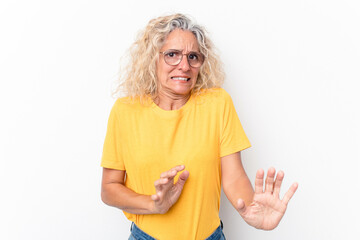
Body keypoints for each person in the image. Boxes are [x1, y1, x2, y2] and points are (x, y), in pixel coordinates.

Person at [101, 13, 298, 240]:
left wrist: (253, 209)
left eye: (193, 56)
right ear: (151, 58)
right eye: (172, 55)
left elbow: (233, 177)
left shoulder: (217, 103)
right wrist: (153, 205)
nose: (184, 66)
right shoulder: (126, 110)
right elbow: (109, 187)